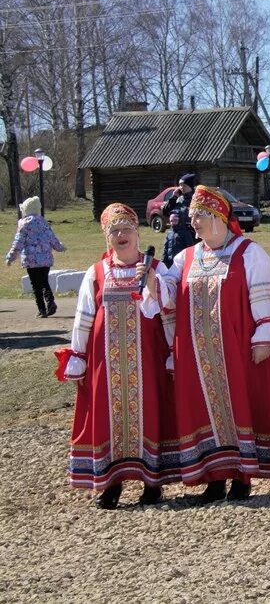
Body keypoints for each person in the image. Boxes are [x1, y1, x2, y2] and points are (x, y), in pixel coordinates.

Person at [150, 185, 270, 504]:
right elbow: (167, 298)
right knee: (199, 412)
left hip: (235, 353)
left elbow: (263, 293)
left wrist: (265, 332)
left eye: (199, 215)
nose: (192, 221)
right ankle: (213, 477)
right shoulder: (184, 258)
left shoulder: (248, 252)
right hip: (195, 357)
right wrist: (152, 284)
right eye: (192, 215)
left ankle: (241, 476)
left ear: (218, 215)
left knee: (238, 407)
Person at [56, 203, 177, 509]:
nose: (121, 235)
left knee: (150, 413)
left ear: (138, 233)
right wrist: (78, 354)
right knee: (108, 420)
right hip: (105, 364)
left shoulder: (156, 268)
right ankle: (111, 484)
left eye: (127, 229)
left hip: (146, 361)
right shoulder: (96, 272)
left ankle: (153, 483)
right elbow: (84, 317)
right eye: (114, 230)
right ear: (106, 237)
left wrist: (173, 351)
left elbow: (169, 312)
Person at [6, 195, 64, 317]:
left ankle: (41, 310)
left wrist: (10, 257)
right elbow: (52, 238)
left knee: (36, 285)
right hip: (45, 259)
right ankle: (50, 301)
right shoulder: (43, 222)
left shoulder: (23, 224)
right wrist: (60, 247)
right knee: (44, 281)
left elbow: (18, 242)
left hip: (31, 260)